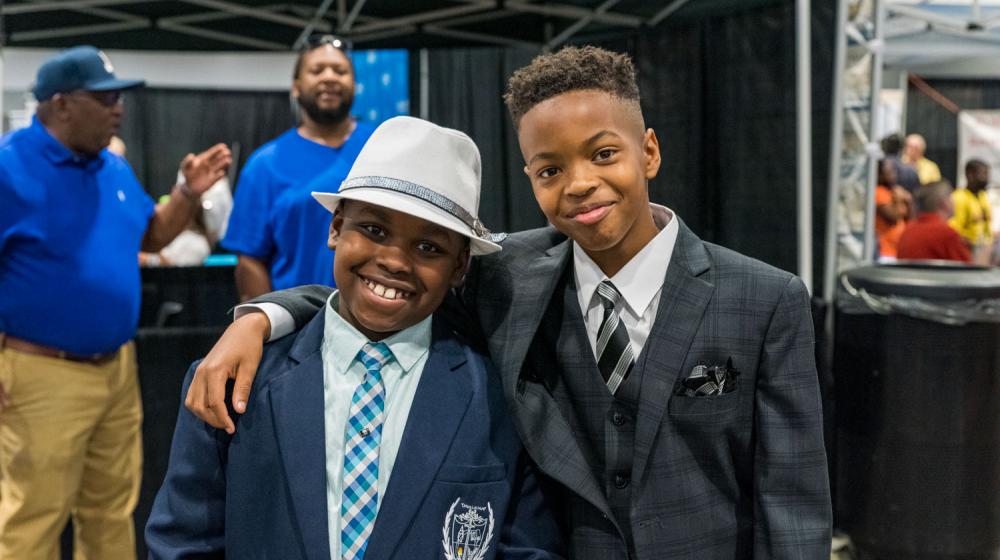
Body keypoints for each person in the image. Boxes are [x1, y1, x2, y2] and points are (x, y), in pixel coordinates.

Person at [186, 46, 832, 558]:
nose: (580, 184)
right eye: (550, 169)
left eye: (604, 154)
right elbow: (383, 287)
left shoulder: (765, 299)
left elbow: (792, 497)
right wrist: (263, 316)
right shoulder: (508, 276)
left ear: (650, 151)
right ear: (529, 177)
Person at [145, 116, 561, 559]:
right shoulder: (233, 380)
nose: (395, 261)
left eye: (429, 248)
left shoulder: (498, 399)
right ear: (335, 227)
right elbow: (183, 544)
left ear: (460, 268)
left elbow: (528, 548)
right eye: (374, 230)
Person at [0, 46, 231, 559]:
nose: (119, 107)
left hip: (117, 370)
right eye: (104, 97)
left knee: (111, 512)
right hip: (42, 373)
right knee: (32, 518)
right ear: (59, 105)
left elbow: (150, 237)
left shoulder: (112, 167)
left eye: (119, 96)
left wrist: (186, 195)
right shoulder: (9, 169)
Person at [222, 34, 375, 301]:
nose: (329, 77)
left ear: (354, 83)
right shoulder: (265, 165)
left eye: (340, 71)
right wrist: (270, 329)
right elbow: (250, 260)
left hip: (382, 323)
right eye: (317, 70)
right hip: (300, 327)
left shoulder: (382, 149)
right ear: (296, 87)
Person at [898, 181, 971, 262]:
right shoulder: (947, 234)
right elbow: (968, 271)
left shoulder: (907, 231)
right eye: (951, 197)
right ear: (945, 202)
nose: (954, 201)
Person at [950, 159, 994, 264]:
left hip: (984, 252)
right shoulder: (959, 198)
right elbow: (954, 232)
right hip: (967, 254)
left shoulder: (983, 196)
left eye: (987, 175)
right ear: (970, 175)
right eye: (983, 175)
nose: (986, 179)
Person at [876, 158, 911, 259]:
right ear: (880, 174)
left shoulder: (891, 192)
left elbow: (907, 216)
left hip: (897, 250)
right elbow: (893, 217)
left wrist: (908, 201)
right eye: (889, 171)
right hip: (885, 251)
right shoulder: (879, 192)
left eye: (894, 170)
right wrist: (899, 199)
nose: (893, 174)